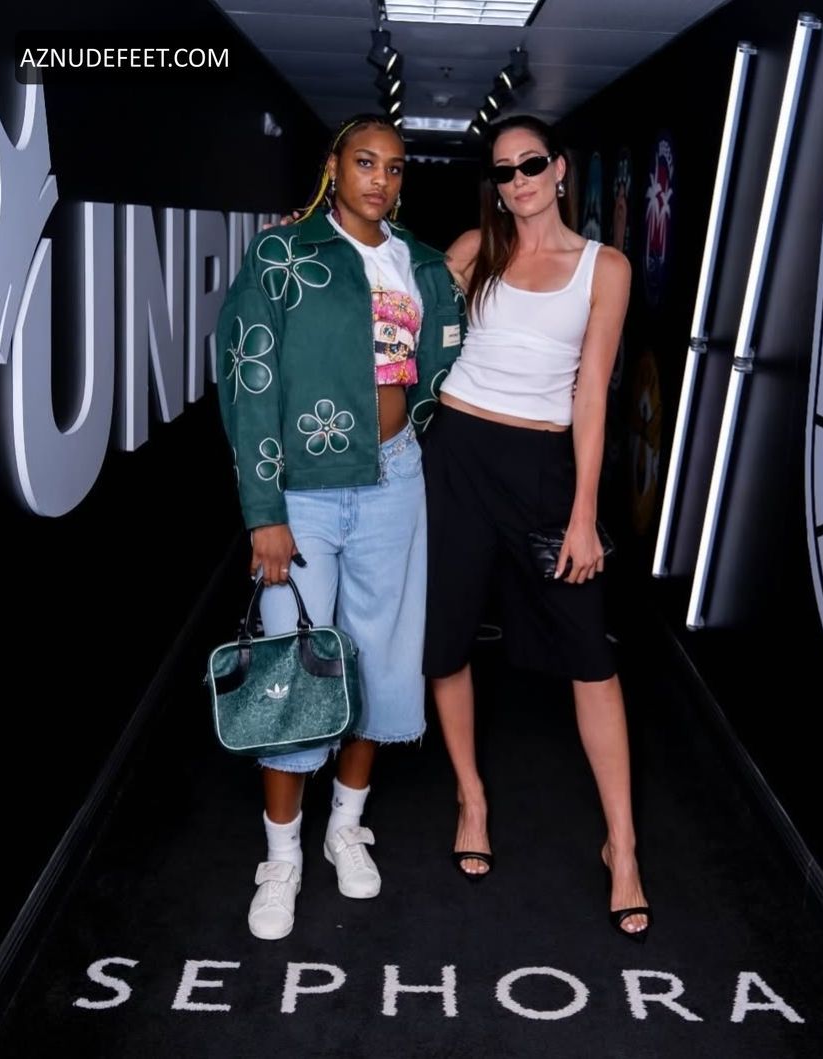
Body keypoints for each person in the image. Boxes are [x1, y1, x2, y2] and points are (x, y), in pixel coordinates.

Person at [215, 113, 464, 940]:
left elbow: (442, 354)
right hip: (306, 491)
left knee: (378, 658)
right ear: (334, 165)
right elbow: (249, 382)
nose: (380, 180)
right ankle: (280, 857)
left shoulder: (418, 261)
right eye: (365, 162)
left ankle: (344, 827)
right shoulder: (283, 254)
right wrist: (264, 512)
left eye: (394, 168)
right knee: (294, 665)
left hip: (395, 478)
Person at [422, 114, 652, 938]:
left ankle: (622, 845)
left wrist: (584, 512)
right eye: (503, 170)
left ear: (559, 169)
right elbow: (385, 294)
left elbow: (592, 394)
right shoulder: (471, 250)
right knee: (446, 640)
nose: (517, 181)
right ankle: (471, 798)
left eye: (530, 164)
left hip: (544, 469)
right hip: (456, 459)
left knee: (591, 654)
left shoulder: (605, 267)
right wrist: (301, 243)